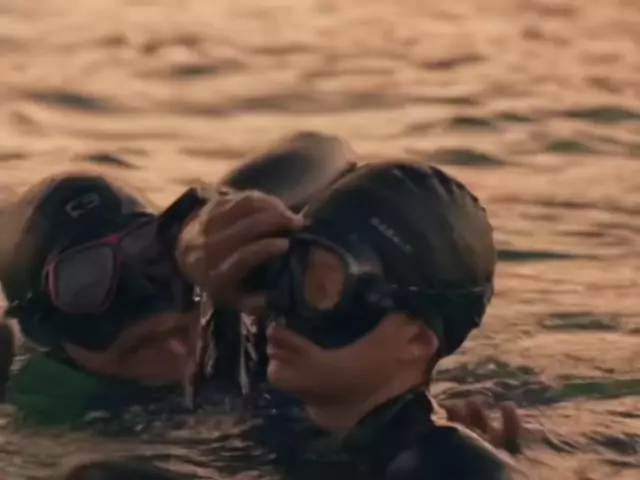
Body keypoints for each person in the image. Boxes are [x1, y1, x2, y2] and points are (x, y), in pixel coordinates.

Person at [182, 159, 514, 479]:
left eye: (324, 289)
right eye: (289, 270)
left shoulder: (446, 467)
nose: (281, 307)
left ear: (416, 340)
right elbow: (316, 151)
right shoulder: (272, 400)